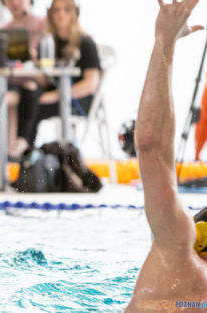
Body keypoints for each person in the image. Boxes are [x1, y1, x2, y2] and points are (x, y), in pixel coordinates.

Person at [125, 0, 206, 311]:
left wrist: (166, 41)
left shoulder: (180, 256)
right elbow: (151, 147)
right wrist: (164, 42)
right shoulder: (178, 252)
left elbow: (151, 149)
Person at [21, 0, 101, 152]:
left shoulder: (86, 43)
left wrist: (55, 95)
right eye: (56, 10)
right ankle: (24, 152)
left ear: (74, 13)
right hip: (53, 97)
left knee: (34, 106)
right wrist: (35, 64)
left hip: (77, 101)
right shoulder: (48, 42)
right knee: (28, 94)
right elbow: (46, 80)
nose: (60, 15)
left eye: (66, 10)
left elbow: (91, 84)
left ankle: (26, 150)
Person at [0, 0, 46, 159]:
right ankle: (10, 151)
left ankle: (23, 141)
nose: (15, 2)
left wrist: (35, 60)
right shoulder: (2, 30)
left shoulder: (44, 25)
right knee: (6, 99)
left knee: (30, 86)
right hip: (11, 84)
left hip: (38, 82)